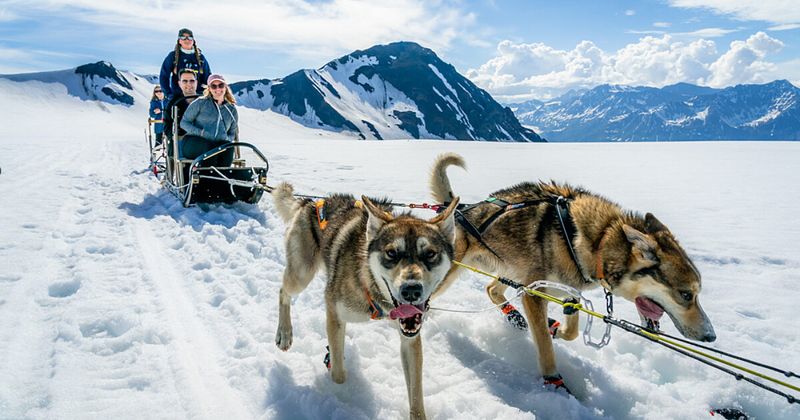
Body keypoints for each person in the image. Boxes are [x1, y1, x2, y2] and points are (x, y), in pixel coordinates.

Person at [180, 74, 238, 167]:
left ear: (225, 87)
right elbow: (184, 123)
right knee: (210, 149)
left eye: (221, 85)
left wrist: (226, 139)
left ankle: (223, 176)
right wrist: (201, 132)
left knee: (228, 148)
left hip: (217, 144)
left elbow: (232, 132)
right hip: (193, 143)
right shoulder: (201, 103)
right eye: (213, 86)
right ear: (209, 89)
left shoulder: (231, 110)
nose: (217, 89)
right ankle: (207, 175)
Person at [159, 28, 210, 99]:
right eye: (183, 37)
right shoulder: (173, 56)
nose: (187, 40)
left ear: (193, 41)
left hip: (198, 97)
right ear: (179, 41)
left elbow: (208, 77)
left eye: (190, 37)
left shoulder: (200, 58)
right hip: (178, 98)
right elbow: (164, 76)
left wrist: (206, 94)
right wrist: (169, 94)